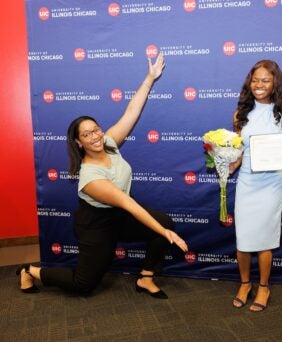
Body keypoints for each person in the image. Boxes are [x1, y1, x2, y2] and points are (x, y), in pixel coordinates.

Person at [16, 52, 188, 299]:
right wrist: (164, 233)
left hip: (119, 216)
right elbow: (128, 203)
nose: (95, 136)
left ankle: (145, 277)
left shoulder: (108, 143)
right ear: (78, 142)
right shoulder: (89, 177)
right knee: (83, 284)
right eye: (87, 134)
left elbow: (131, 112)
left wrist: (150, 78)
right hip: (96, 224)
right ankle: (30, 271)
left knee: (165, 222)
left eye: (95, 129)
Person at [229, 60, 282, 312]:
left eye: (265, 80)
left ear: (275, 83)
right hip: (247, 182)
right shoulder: (240, 115)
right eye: (255, 80)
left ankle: (264, 286)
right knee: (243, 239)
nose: (259, 85)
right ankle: (244, 283)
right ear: (249, 83)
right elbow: (239, 153)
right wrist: (228, 164)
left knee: (264, 239)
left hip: (272, 183)